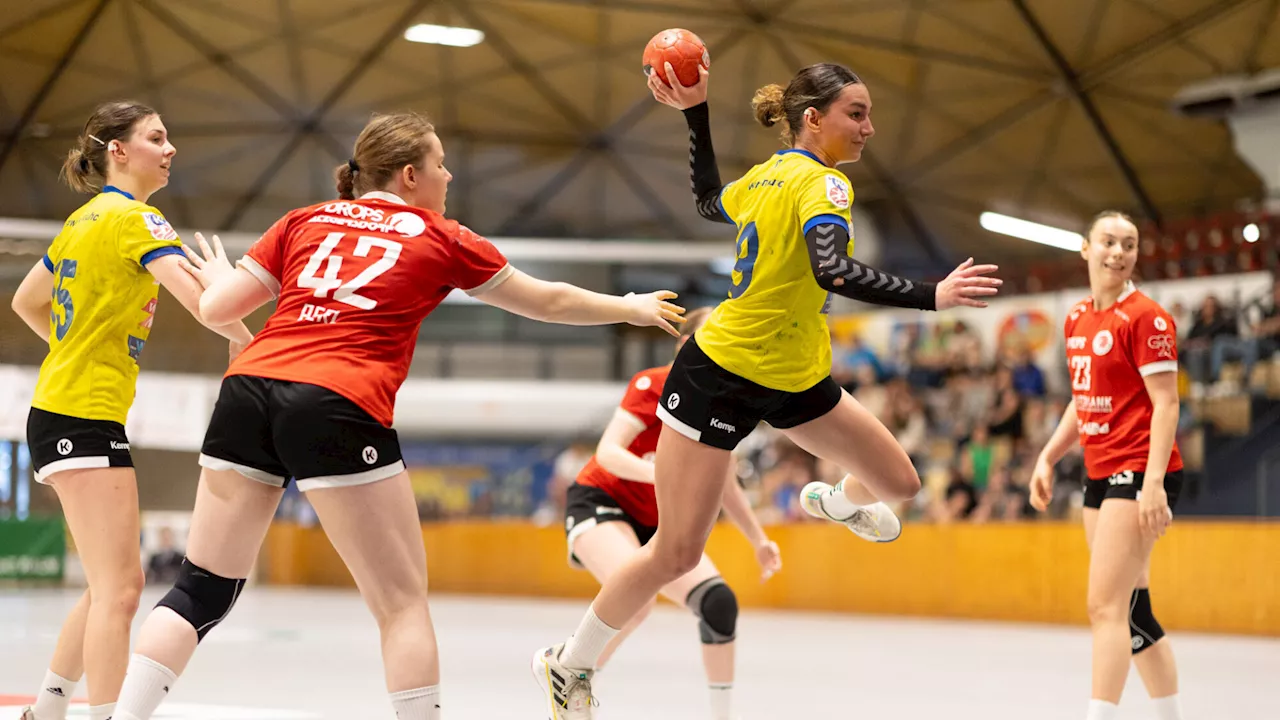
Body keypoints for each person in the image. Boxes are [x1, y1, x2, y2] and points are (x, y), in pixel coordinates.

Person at [106, 111, 685, 720]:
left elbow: (217, 306)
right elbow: (546, 299)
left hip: (249, 388)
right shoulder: (442, 236)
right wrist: (629, 307)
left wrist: (223, 275)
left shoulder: (303, 220)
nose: (449, 174)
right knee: (401, 606)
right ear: (411, 175)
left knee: (200, 589)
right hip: (338, 398)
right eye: (440, 164)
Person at [532, 61, 1001, 719]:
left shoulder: (765, 176)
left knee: (900, 484)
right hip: (719, 376)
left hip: (795, 373)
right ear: (815, 119)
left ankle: (834, 501)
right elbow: (831, 268)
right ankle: (569, 665)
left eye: (868, 114)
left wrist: (695, 112)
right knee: (675, 553)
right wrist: (933, 296)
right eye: (857, 114)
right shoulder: (824, 185)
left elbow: (704, 200)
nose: (869, 128)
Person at [10, 101, 252, 720]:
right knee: (121, 591)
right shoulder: (138, 221)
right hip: (83, 415)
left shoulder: (80, 220)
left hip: (62, 410)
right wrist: (257, 338)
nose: (170, 149)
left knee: (105, 587)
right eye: (157, 137)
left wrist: (80, 349)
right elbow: (207, 305)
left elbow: (25, 301)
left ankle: (47, 709)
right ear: (119, 150)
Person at [563, 307, 781, 720]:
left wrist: (758, 539)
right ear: (687, 347)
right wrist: (661, 474)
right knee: (636, 600)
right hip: (602, 501)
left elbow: (725, 481)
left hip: (657, 520)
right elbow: (608, 452)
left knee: (718, 603)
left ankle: (721, 715)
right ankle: (571, 675)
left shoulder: (722, 402)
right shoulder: (652, 384)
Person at [1029, 211, 1186, 720]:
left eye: (1129, 244)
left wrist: (1154, 485)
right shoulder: (1077, 318)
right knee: (1134, 611)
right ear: (1086, 249)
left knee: (1105, 608)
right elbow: (1084, 399)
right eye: (1108, 242)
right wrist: (1049, 456)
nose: (1118, 252)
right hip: (1099, 472)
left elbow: (1166, 403)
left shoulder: (1147, 317)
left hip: (1140, 471)